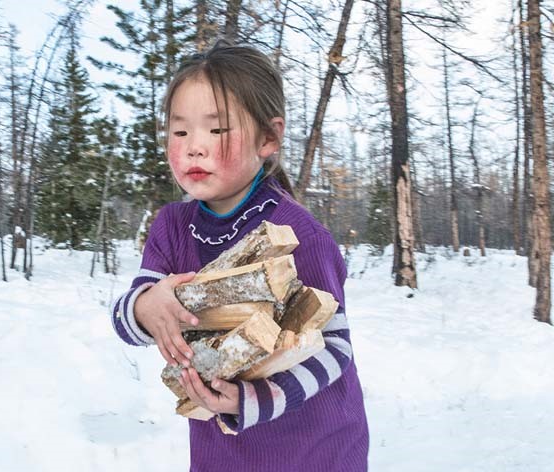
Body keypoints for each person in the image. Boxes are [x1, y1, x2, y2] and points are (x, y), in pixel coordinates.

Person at [110, 40, 369, 471]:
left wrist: (254, 399)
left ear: (267, 137)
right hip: (225, 455)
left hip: (315, 451)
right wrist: (145, 306)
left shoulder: (299, 234)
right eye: (180, 131)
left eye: (216, 130)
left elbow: (335, 347)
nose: (195, 146)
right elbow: (129, 324)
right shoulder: (172, 227)